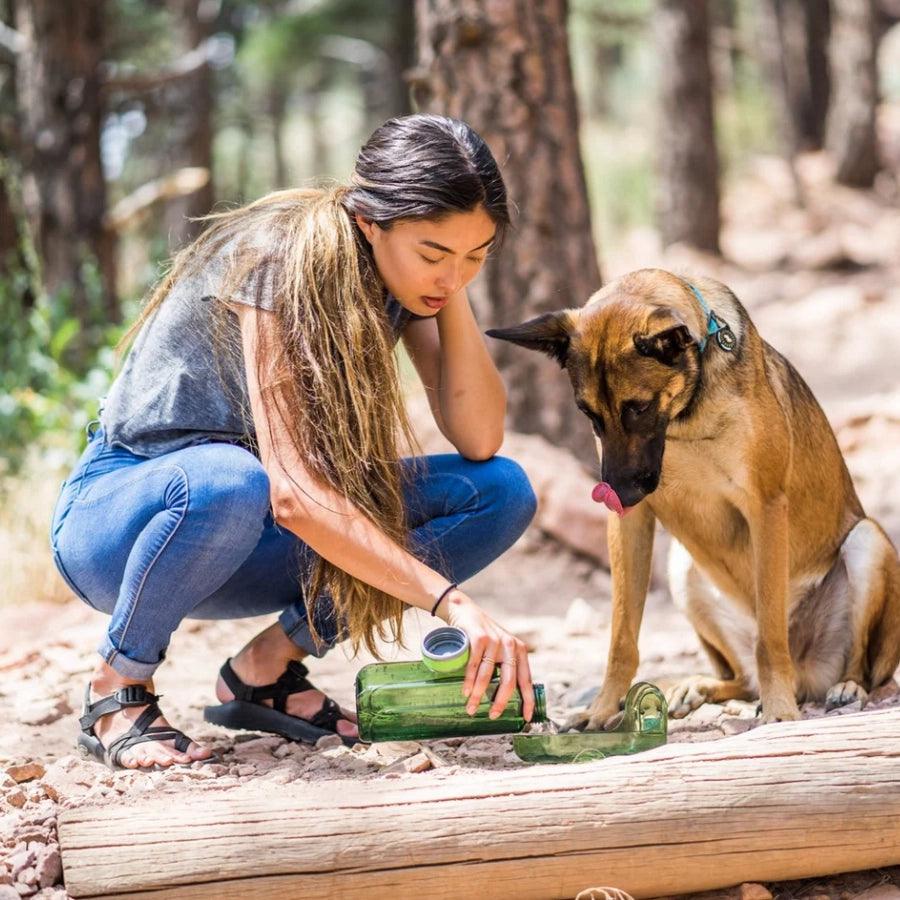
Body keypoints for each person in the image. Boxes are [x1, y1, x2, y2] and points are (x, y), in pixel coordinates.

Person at [49, 114, 538, 771]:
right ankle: (117, 689)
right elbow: (294, 495)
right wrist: (451, 603)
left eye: (475, 256)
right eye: (433, 252)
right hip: (127, 526)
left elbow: (479, 436)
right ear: (369, 219)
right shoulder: (278, 255)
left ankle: (266, 671)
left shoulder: (411, 285)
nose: (452, 275)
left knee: (501, 492)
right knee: (232, 480)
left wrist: (447, 287)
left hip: (246, 535)